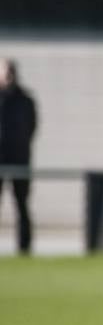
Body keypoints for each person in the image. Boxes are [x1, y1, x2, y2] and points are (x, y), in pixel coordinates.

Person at [0, 59, 38, 255]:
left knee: (22, 205)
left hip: (19, 159)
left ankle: (24, 248)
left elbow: (32, 127)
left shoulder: (25, 100)